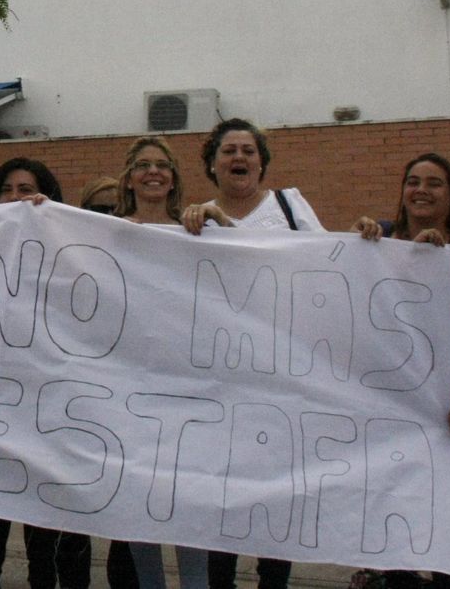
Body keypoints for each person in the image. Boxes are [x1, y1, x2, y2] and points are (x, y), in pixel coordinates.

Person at [181, 119, 323, 589]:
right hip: (219, 390)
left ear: (261, 162)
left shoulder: (289, 206)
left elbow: (329, 269)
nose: (238, 157)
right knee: (222, 503)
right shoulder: (194, 219)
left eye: (248, 150)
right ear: (212, 164)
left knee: (275, 502)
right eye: (227, 151)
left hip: (280, 385)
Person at [355, 153, 450, 589]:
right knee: (389, 507)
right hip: (382, 405)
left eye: (434, 183)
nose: (421, 189)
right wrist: (358, 240)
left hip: (438, 409)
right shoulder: (380, 236)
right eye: (413, 181)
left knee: (437, 505)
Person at [0, 158, 94, 589]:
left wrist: (56, 224)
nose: (17, 197)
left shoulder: (68, 248)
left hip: (51, 413)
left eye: (27, 188)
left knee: (48, 529)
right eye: (7, 188)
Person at [108, 139, 206, 589]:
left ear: (174, 177)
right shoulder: (103, 230)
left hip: (187, 388)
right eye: (143, 166)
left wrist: (217, 222)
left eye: (162, 166)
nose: (153, 172)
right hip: (127, 390)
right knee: (139, 502)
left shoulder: (197, 231)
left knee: (189, 502)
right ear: (128, 178)